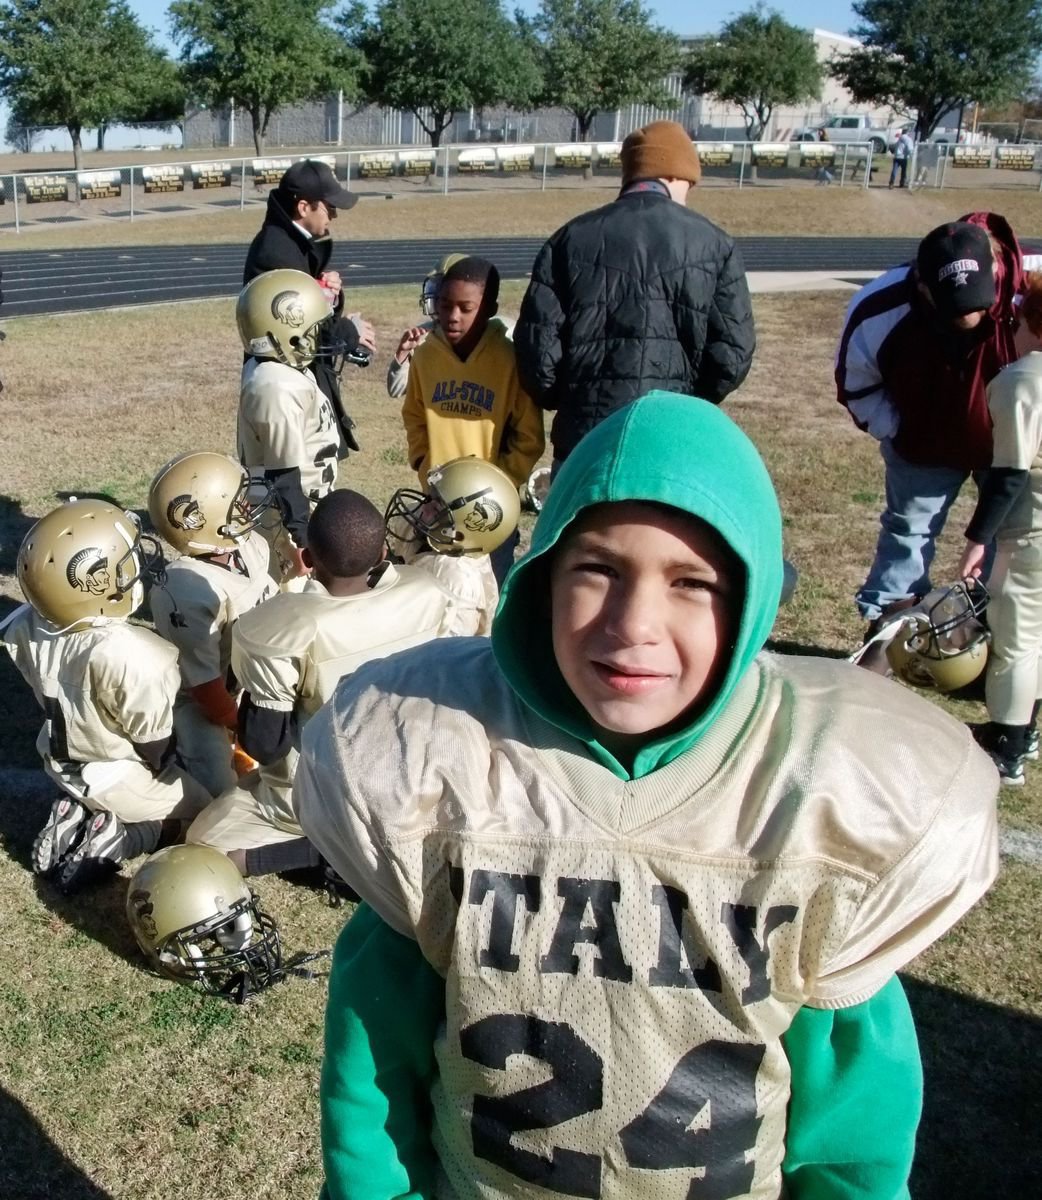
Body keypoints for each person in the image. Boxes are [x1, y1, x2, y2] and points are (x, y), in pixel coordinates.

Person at [295, 390, 998, 1200]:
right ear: (543, 574)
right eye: (597, 568)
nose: (635, 624)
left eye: (691, 583)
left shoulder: (818, 804)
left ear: (752, 599)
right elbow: (374, 1059)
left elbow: (851, 1130)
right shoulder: (443, 768)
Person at [185, 489, 456, 878]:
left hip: (325, 794)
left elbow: (265, 744)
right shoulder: (427, 592)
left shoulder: (281, 626)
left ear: (308, 560)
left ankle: (317, 854)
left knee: (205, 840)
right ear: (382, 555)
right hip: (414, 774)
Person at [514, 119, 755, 468]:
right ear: (674, 175)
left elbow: (537, 356)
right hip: (671, 435)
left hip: (584, 438)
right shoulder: (715, 244)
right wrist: (686, 401)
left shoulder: (569, 239)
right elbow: (731, 356)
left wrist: (569, 399)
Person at [2, 499, 211, 892]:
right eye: (124, 561)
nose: (135, 568)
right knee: (210, 815)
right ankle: (121, 838)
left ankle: (78, 812)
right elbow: (154, 746)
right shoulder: (131, 654)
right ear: (97, 583)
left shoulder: (29, 623)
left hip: (59, 757)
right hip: (116, 775)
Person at [836, 214, 1025, 628]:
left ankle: (992, 628)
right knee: (908, 532)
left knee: (1009, 537)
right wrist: (900, 429)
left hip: (1010, 445)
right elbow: (857, 387)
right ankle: (891, 625)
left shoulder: (1030, 296)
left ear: (996, 271)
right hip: (924, 442)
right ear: (922, 286)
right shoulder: (879, 308)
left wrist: (1026, 437)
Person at [402, 255, 544, 585]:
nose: (452, 316)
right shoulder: (425, 355)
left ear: (489, 307)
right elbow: (414, 417)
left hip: (489, 512)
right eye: (445, 304)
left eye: (466, 308)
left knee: (490, 597)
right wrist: (425, 465)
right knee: (441, 590)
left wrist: (497, 488)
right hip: (438, 502)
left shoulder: (510, 359)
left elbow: (529, 437)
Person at [148, 452, 278, 797]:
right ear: (203, 519)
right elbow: (203, 686)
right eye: (236, 502)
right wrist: (243, 728)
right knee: (220, 797)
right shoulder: (184, 589)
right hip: (204, 700)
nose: (247, 506)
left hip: (251, 677)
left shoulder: (248, 545)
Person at [957, 273, 1042, 783]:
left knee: (1017, 633)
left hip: (1031, 528)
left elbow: (1010, 472)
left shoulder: (1022, 381)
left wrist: (977, 540)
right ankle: (1024, 728)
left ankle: (1009, 742)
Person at [243, 158, 376, 455]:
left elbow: (304, 305)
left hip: (292, 379)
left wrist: (328, 294)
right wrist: (348, 331)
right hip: (283, 386)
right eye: (329, 208)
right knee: (298, 472)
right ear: (304, 208)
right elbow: (294, 326)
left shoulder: (290, 243)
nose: (334, 216)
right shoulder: (276, 252)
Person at [236, 269, 345, 585]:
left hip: (303, 504)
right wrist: (302, 537)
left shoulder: (281, 369)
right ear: (286, 330)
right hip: (286, 516)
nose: (319, 335)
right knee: (293, 605)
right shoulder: (276, 386)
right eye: (312, 328)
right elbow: (284, 476)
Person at [384, 457, 522, 636]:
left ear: (465, 529)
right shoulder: (424, 528)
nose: (425, 508)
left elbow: (445, 654)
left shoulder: (458, 581)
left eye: (438, 506)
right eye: (431, 497)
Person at [387, 252, 518, 400]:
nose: (435, 297)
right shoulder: (424, 336)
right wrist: (402, 356)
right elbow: (395, 389)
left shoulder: (503, 332)